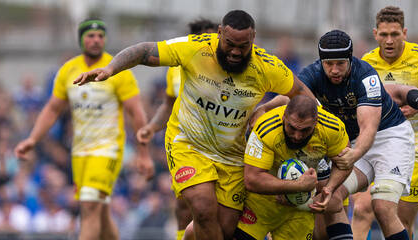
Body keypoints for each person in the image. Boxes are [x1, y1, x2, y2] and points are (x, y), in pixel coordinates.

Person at [73, 10, 315, 240]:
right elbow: (145, 51)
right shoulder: (196, 48)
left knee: (223, 229)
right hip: (187, 144)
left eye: (243, 46)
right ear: (219, 33)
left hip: (232, 156)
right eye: (230, 43)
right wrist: (111, 68)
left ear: (253, 39)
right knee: (202, 207)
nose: (235, 52)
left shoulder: (267, 67)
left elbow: (305, 99)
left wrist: (268, 107)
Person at [14, 19, 154, 240]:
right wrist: (32, 139)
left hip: (108, 149)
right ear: (81, 39)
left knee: (89, 207)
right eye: (90, 35)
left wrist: (143, 153)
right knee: (101, 210)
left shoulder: (117, 69)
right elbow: (52, 109)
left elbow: (136, 113)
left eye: (100, 36)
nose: (96, 40)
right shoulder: (68, 70)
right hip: (80, 152)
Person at [298, 30, 418, 240]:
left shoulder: (366, 75)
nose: (335, 70)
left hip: (391, 140)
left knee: (382, 208)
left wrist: (354, 154)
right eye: (329, 64)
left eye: (340, 63)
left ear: (350, 59)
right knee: (332, 199)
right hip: (358, 144)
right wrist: (261, 111)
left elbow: (369, 128)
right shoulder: (312, 74)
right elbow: (291, 97)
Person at [356, 6, 418, 239]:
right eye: (384, 35)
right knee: (362, 210)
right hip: (377, 146)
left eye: (395, 34)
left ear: (405, 32)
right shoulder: (367, 62)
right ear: (375, 34)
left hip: (417, 151)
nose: (389, 40)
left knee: (399, 221)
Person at [135, 18, 217, 240]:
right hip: (187, 145)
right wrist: (152, 127)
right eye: (204, 38)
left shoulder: (226, 68)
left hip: (221, 145)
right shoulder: (176, 69)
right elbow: (169, 106)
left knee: (218, 210)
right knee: (184, 205)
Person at [234, 95, 350, 239]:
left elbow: (345, 163)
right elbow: (252, 179)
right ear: (284, 117)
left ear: (316, 122)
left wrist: (329, 189)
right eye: (292, 127)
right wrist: (298, 186)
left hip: (299, 211)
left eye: (305, 130)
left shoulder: (332, 129)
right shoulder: (266, 128)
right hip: (261, 203)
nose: (297, 136)